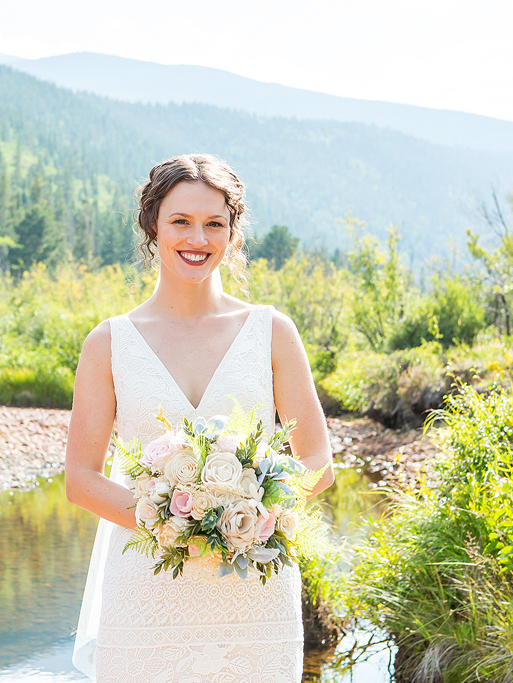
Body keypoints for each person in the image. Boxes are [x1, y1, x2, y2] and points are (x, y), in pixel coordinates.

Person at [65, 153, 334, 682]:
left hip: (252, 590)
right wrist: (171, 522)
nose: (198, 238)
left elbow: (319, 461)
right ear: (152, 226)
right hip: (146, 586)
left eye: (215, 223)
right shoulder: (109, 343)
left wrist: (251, 511)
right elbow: (81, 479)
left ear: (233, 234)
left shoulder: (272, 332)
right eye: (181, 221)